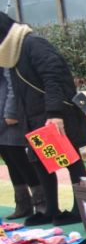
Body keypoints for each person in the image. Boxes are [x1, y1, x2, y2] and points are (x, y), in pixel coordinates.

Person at [0, 12, 86, 226]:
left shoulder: (34, 44)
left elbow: (54, 79)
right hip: (33, 118)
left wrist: (55, 114)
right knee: (41, 162)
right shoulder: (13, 53)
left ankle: (80, 209)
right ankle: (50, 209)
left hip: (52, 115)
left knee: (70, 161)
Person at [0, 67, 43, 220]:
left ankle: (41, 204)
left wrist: (11, 112)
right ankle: (23, 204)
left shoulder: (5, 52)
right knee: (10, 160)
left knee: (19, 157)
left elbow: (12, 83)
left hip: (9, 115)